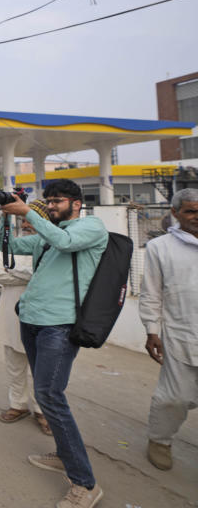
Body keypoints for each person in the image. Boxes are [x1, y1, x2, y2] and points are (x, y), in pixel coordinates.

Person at [1, 179, 107, 508]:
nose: (50, 206)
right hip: (31, 321)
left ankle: (84, 483)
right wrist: (6, 216)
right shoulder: (47, 233)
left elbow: (65, 241)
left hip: (59, 326)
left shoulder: (90, 227)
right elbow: (11, 249)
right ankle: (64, 454)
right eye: (47, 201)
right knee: (46, 393)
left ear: (76, 203)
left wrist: (32, 215)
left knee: (49, 394)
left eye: (57, 201)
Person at [139, 188, 198, 471]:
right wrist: (152, 330)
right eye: (190, 211)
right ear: (175, 213)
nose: (197, 216)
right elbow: (151, 293)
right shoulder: (159, 247)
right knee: (176, 397)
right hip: (181, 333)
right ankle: (160, 440)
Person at [0, 199, 52, 436]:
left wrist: (17, 272)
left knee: (42, 368)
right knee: (15, 365)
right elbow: (0, 275)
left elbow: (45, 274)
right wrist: (33, 274)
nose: (26, 223)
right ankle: (18, 405)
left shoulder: (50, 243)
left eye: (30, 219)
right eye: (24, 219)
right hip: (11, 313)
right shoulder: (11, 243)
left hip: (40, 315)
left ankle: (42, 410)